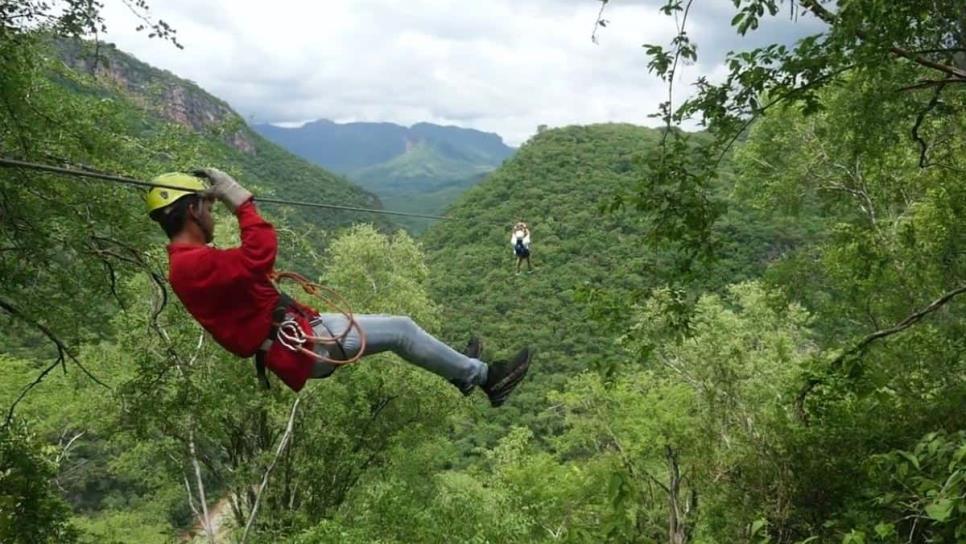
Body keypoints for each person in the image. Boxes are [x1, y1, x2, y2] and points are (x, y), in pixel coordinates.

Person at [145, 168, 531, 406]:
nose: (213, 215)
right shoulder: (192, 264)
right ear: (193, 209)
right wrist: (241, 203)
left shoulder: (189, 262)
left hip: (296, 332)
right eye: (209, 208)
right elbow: (259, 253)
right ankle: (484, 378)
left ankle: (455, 366)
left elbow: (244, 274)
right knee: (401, 329)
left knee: (400, 328)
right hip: (301, 344)